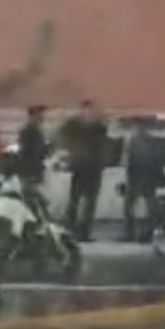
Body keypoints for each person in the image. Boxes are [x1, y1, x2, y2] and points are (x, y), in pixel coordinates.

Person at [124, 117, 165, 242]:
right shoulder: (161, 141)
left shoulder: (136, 142)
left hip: (138, 177)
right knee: (150, 206)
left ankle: (131, 233)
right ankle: (149, 232)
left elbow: (131, 161)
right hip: (150, 177)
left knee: (132, 206)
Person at [61, 100, 108, 241]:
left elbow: (64, 135)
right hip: (89, 167)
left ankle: (76, 230)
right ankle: (80, 231)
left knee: (79, 200)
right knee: (83, 201)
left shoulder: (82, 126)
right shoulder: (95, 126)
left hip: (85, 167)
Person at [17, 105, 49, 192]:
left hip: (33, 169)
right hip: (30, 169)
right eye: (39, 115)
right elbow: (26, 151)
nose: (42, 117)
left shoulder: (36, 131)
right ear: (33, 116)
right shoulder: (29, 131)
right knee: (30, 195)